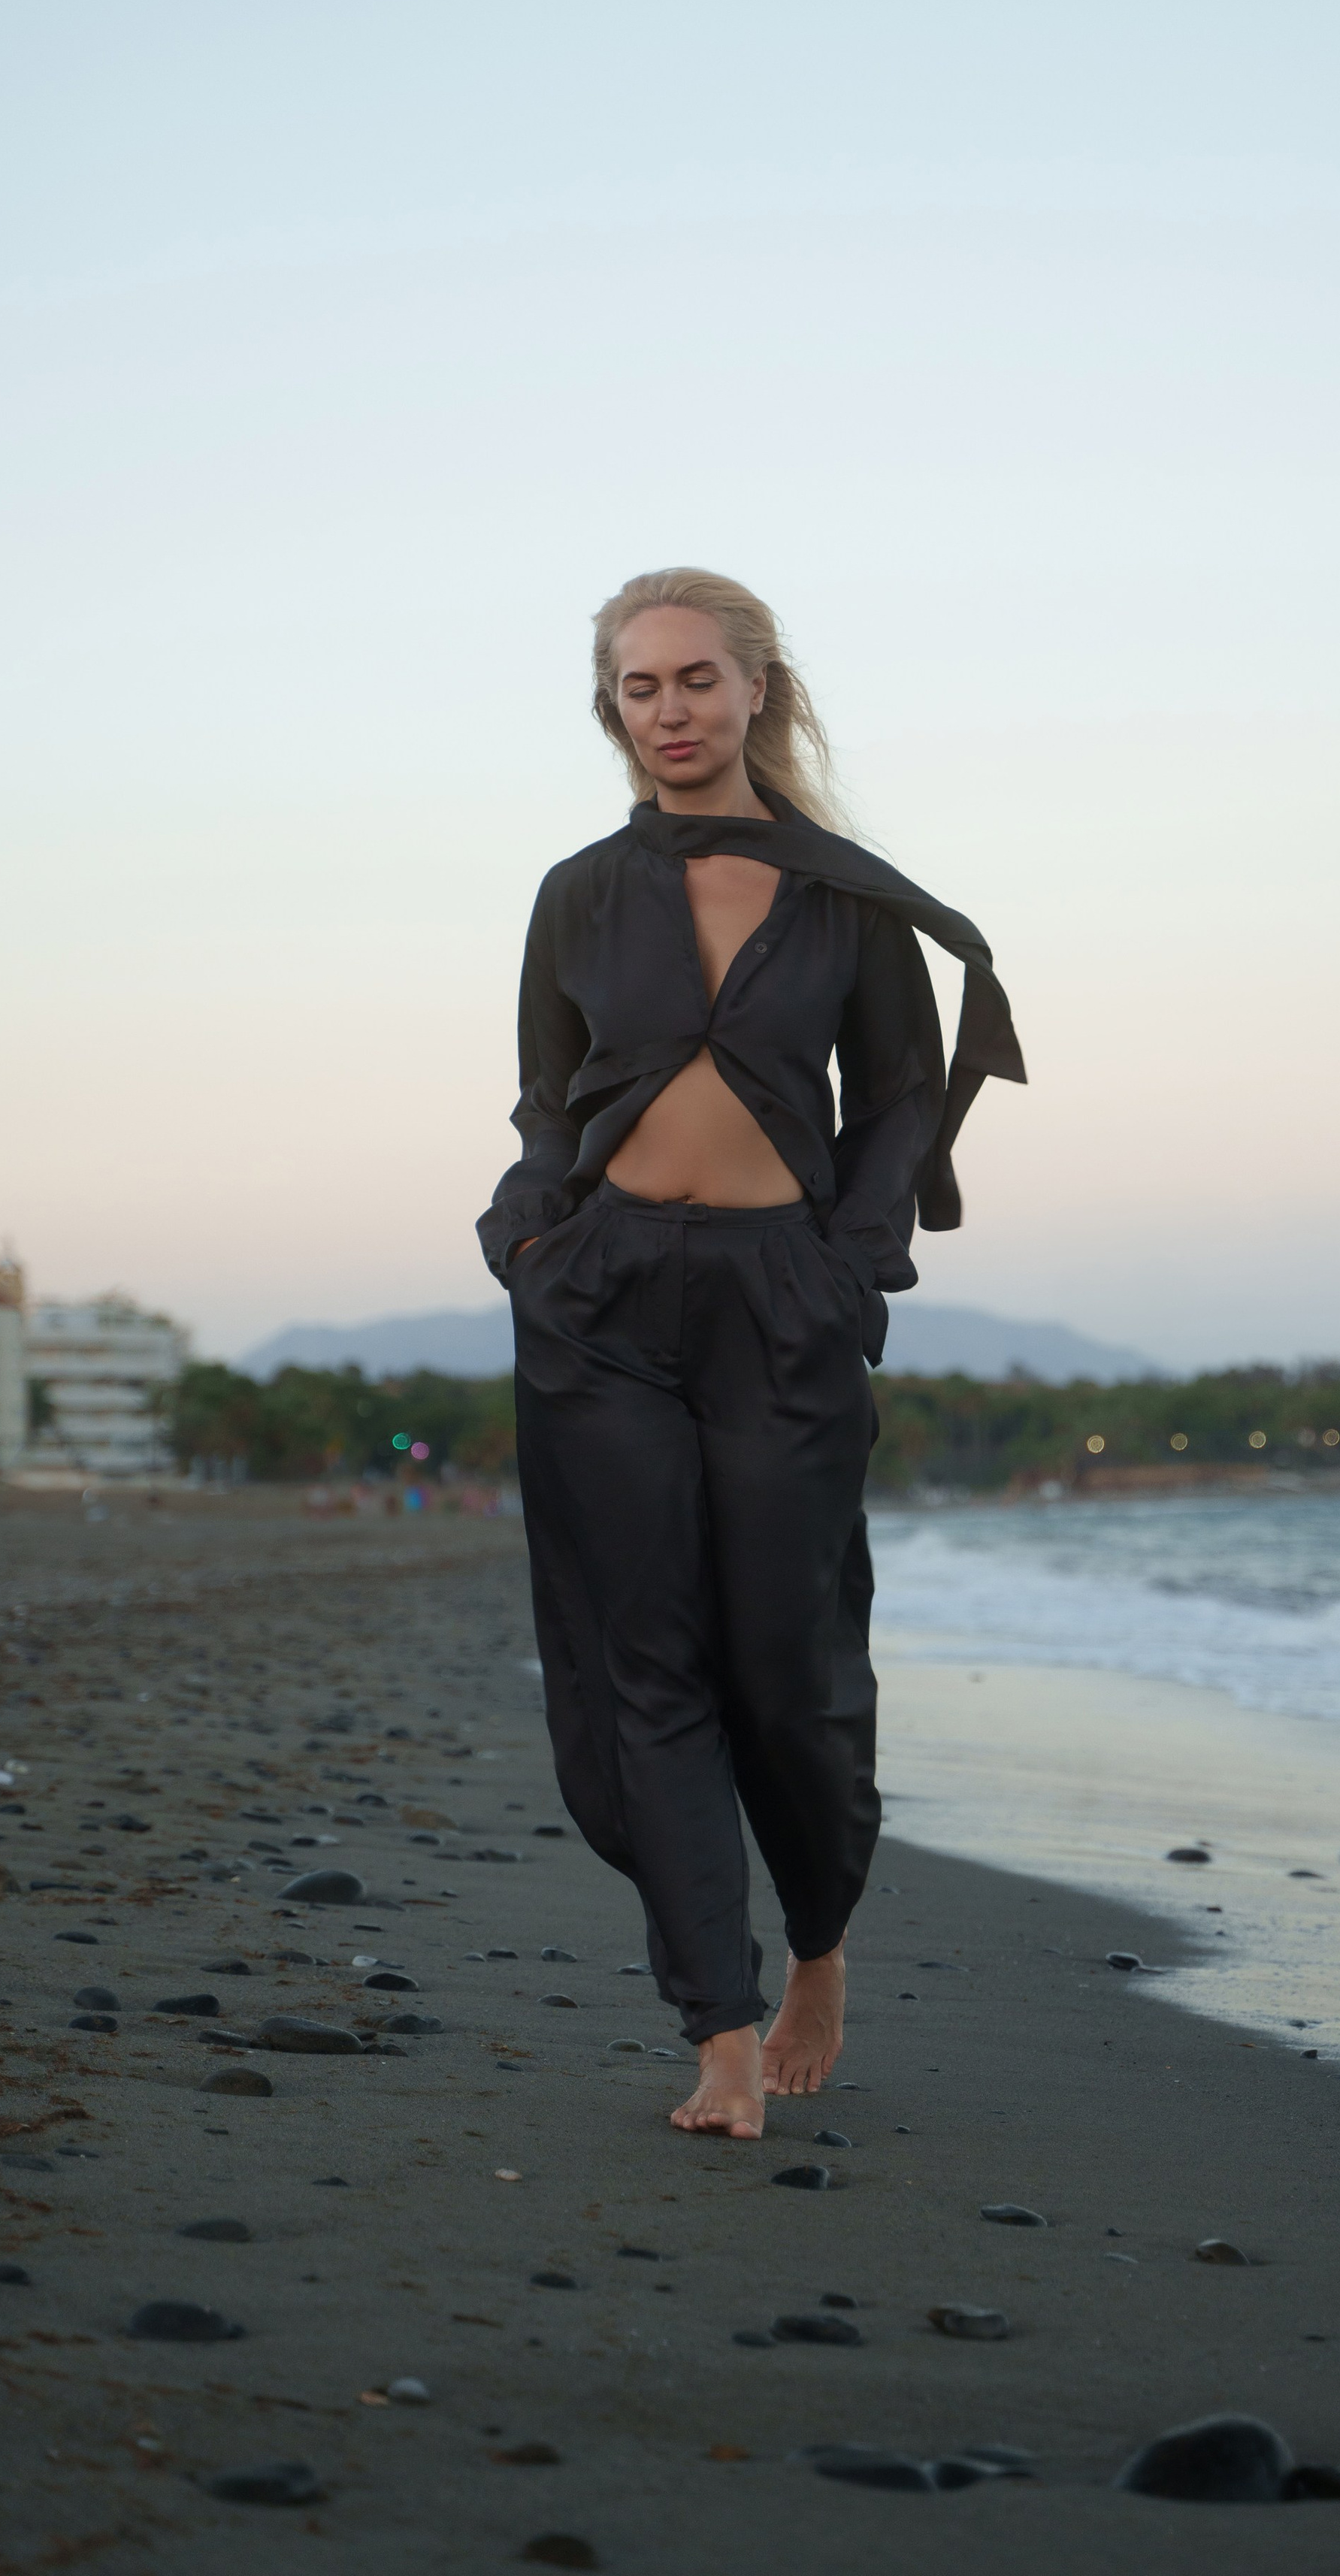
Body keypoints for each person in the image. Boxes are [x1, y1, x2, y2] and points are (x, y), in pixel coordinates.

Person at [479, 567, 1023, 2138]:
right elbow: (544, 1097)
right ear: (614, 710)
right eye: (639, 688)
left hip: (782, 1300)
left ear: (756, 692)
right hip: (601, 1299)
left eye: (696, 681)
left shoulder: (846, 897)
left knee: (788, 1668)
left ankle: (818, 1949)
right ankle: (715, 2031)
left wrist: (850, 1269)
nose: (670, 712)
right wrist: (528, 1236)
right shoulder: (577, 894)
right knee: (643, 1660)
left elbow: (901, 1099)